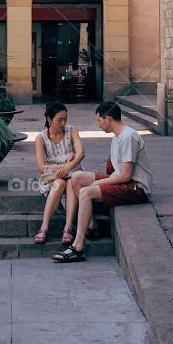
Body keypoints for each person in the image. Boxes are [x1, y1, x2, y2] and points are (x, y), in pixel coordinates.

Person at [52, 100, 152, 263]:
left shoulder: (128, 137)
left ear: (108, 119)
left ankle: (77, 247)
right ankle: (91, 225)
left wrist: (96, 184)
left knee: (85, 192)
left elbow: (126, 175)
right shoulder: (117, 136)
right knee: (77, 177)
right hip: (121, 181)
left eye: (99, 120)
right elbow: (116, 172)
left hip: (136, 187)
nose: (98, 124)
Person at [32, 101, 86, 245]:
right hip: (51, 174)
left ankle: (68, 228)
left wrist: (68, 168)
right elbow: (42, 168)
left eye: (65, 119)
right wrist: (66, 165)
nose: (63, 123)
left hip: (73, 171)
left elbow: (81, 153)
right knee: (60, 182)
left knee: (70, 182)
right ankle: (44, 227)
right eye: (59, 120)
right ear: (49, 119)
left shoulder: (72, 130)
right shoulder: (41, 137)